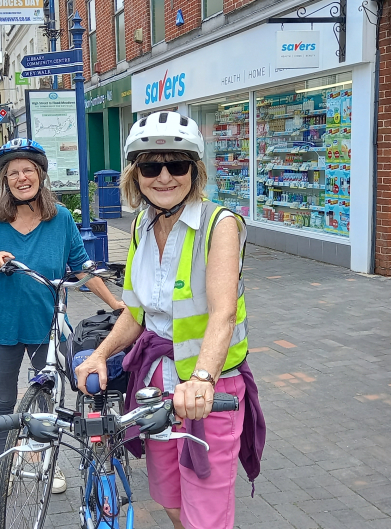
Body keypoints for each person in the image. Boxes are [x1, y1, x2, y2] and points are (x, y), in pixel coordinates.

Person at [75, 112, 265, 529]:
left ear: (193, 171)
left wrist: (201, 380)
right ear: (136, 174)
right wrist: (101, 354)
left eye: (176, 164)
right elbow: (138, 313)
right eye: (150, 165)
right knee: (169, 495)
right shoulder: (143, 224)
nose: (163, 176)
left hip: (207, 388)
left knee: (207, 512)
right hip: (154, 386)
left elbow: (223, 313)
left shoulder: (220, 225)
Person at [0, 138, 125, 498]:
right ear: (4, 180)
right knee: (1, 401)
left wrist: (115, 304)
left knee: (47, 400)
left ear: (39, 174)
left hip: (48, 326)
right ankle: (5, 467)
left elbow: (84, 267)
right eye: (13, 173)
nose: (22, 177)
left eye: (28, 170)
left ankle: (42, 464)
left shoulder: (61, 218)